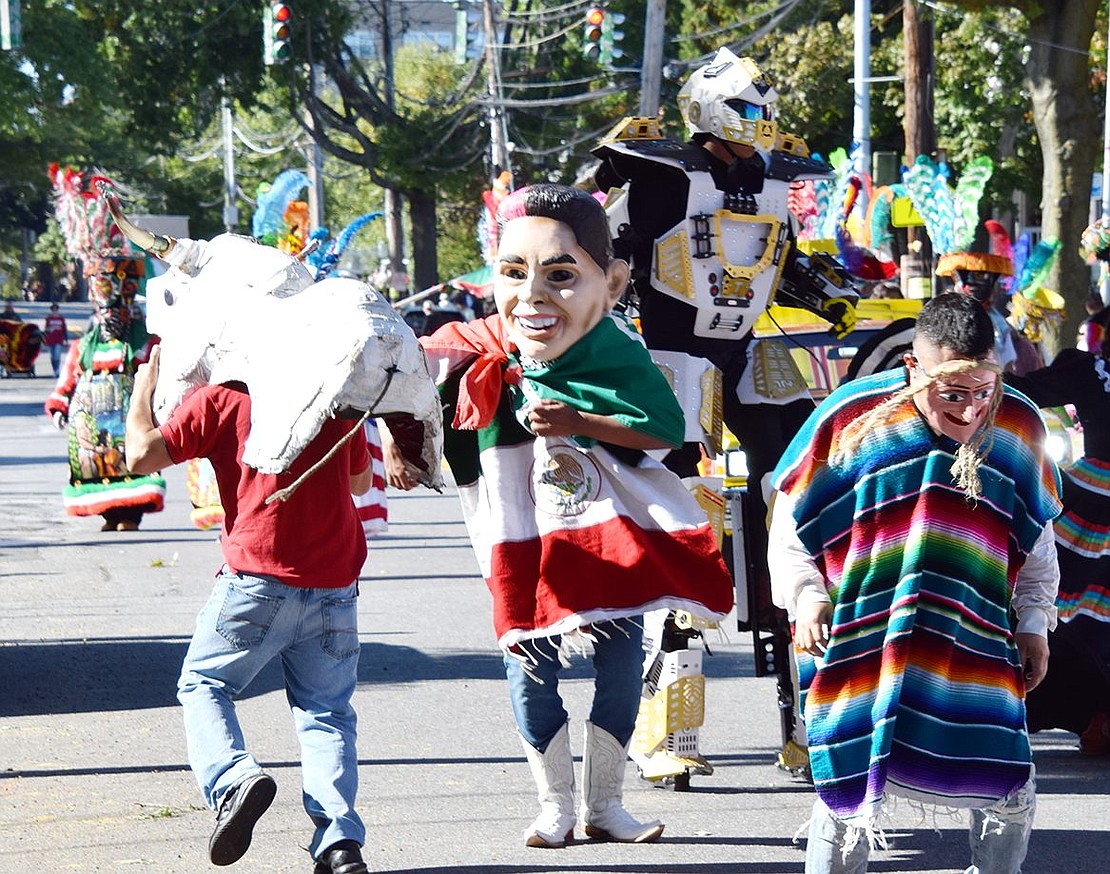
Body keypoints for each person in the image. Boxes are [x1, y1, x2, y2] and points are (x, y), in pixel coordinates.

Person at [389, 183, 734, 849]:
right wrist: (398, 443)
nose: (533, 295)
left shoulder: (615, 346)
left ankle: (606, 804)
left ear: (611, 282)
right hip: (520, 541)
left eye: (561, 275)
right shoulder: (469, 343)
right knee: (528, 664)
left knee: (620, 666)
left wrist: (579, 418)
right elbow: (394, 382)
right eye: (514, 273)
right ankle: (553, 807)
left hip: (608, 539)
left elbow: (663, 426)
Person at [591, 46, 860, 776]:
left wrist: (824, 292)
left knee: (798, 496)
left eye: (765, 110)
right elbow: (604, 253)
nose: (760, 122)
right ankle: (665, 731)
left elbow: (782, 260)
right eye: (746, 109)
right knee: (681, 521)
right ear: (709, 108)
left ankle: (811, 708)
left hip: (747, 354)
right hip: (675, 360)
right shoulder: (659, 173)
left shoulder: (772, 181)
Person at [768, 292, 1062, 873]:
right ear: (912, 369)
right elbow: (791, 517)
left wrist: (1034, 622)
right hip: (861, 635)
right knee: (848, 782)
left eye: (984, 390)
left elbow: (1038, 539)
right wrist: (806, 598)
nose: (971, 409)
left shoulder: (1016, 423)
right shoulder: (852, 419)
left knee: (1006, 780)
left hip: (973, 634)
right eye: (952, 393)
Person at [125, 344, 374, 873]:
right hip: (336, 584)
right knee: (326, 713)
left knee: (203, 684)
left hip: (257, 580)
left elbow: (140, 455)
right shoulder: (331, 394)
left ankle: (233, 778)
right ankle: (339, 842)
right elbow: (358, 481)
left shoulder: (223, 398)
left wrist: (144, 387)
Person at [1007, 340, 1110, 755]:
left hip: (1090, 500)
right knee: (1069, 610)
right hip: (1091, 500)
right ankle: (1091, 713)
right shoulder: (1092, 371)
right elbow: (1025, 390)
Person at [43, 303, 68, 378]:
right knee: (52, 357)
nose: (54, 311)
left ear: (58, 310)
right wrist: (48, 330)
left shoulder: (61, 319)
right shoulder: (49, 319)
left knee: (57, 356)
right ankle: (54, 370)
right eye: (53, 310)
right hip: (51, 339)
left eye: (56, 310)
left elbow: (64, 329)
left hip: (59, 340)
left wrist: (66, 339)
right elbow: (46, 329)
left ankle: (57, 370)